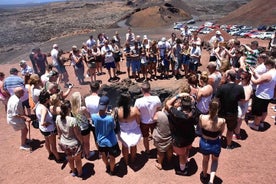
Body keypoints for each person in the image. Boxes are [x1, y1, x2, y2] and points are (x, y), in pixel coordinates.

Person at [166, 93, 196, 175]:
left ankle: (183, 170)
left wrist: (178, 95)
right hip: (190, 136)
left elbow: (167, 104)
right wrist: (191, 98)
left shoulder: (176, 113)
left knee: (181, 155)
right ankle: (185, 162)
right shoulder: (194, 111)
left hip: (180, 139)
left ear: (181, 105)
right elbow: (194, 105)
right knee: (187, 150)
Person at [215, 70, 245, 149]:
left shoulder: (222, 87)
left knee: (219, 128)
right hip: (233, 113)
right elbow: (242, 100)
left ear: (228, 77)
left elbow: (216, 99)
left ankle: (217, 143)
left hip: (221, 112)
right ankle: (228, 145)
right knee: (230, 130)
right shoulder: (240, 88)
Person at [92, 96, 121, 175]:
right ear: (107, 106)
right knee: (112, 156)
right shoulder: (110, 118)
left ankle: (107, 166)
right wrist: (111, 114)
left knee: (103, 154)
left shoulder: (94, 117)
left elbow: (95, 123)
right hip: (111, 141)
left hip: (100, 140)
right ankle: (112, 170)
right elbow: (113, 127)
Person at [199, 99, 225, 184]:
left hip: (204, 143)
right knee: (215, 161)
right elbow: (221, 133)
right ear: (219, 108)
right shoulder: (222, 121)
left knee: (205, 160)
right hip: (215, 144)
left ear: (209, 107)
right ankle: (211, 180)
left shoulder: (202, 117)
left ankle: (205, 175)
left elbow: (200, 129)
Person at [56, 100, 83, 177]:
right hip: (74, 144)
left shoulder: (58, 118)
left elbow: (59, 132)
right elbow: (77, 134)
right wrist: (81, 142)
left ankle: (74, 172)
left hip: (64, 143)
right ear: (69, 109)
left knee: (70, 159)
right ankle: (80, 173)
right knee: (77, 160)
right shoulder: (72, 120)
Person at [134, 81, 162, 154]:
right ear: (150, 89)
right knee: (156, 136)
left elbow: (137, 113)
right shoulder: (156, 98)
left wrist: (138, 122)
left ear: (142, 90)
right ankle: (158, 150)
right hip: (154, 121)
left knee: (145, 138)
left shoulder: (138, 101)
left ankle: (147, 151)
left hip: (144, 122)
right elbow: (159, 109)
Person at [249, 57, 276, 130]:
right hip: (268, 95)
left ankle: (256, 125)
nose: (265, 66)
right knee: (264, 110)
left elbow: (255, 82)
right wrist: (255, 72)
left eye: (266, 65)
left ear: (270, 65)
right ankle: (261, 123)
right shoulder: (274, 72)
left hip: (261, 95)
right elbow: (263, 79)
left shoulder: (268, 74)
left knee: (258, 112)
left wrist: (251, 75)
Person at [35, 89, 61, 162]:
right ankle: (58, 158)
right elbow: (43, 122)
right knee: (53, 145)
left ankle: (50, 153)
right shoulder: (44, 109)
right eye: (49, 98)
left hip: (43, 129)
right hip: (49, 130)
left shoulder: (38, 104)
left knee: (47, 141)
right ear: (46, 99)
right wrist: (48, 123)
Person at [116, 93, 141, 165]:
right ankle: (133, 159)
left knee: (124, 146)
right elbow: (138, 121)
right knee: (133, 146)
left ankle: (126, 161)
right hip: (134, 131)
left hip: (123, 132)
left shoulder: (117, 111)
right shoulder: (134, 110)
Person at [152, 100, 173, 170]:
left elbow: (153, 119)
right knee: (170, 149)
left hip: (160, 136)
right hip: (170, 136)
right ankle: (169, 161)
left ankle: (160, 164)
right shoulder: (175, 115)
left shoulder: (159, 114)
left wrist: (157, 111)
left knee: (160, 151)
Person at [70, 92, 92, 159]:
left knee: (80, 141)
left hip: (78, 128)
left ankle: (82, 153)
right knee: (86, 142)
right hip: (85, 128)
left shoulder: (72, 109)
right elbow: (88, 116)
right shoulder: (82, 108)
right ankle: (87, 154)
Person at [234, 71, 252, 139]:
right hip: (238, 105)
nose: (240, 79)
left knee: (238, 121)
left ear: (247, 79)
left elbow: (246, 99)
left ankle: (237, 134)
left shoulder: (247, 87)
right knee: (238, 120)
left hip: (242, 106)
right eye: (240, 77)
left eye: (242, 78)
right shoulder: (241, 83)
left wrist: (235, 98)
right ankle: (236, 131)